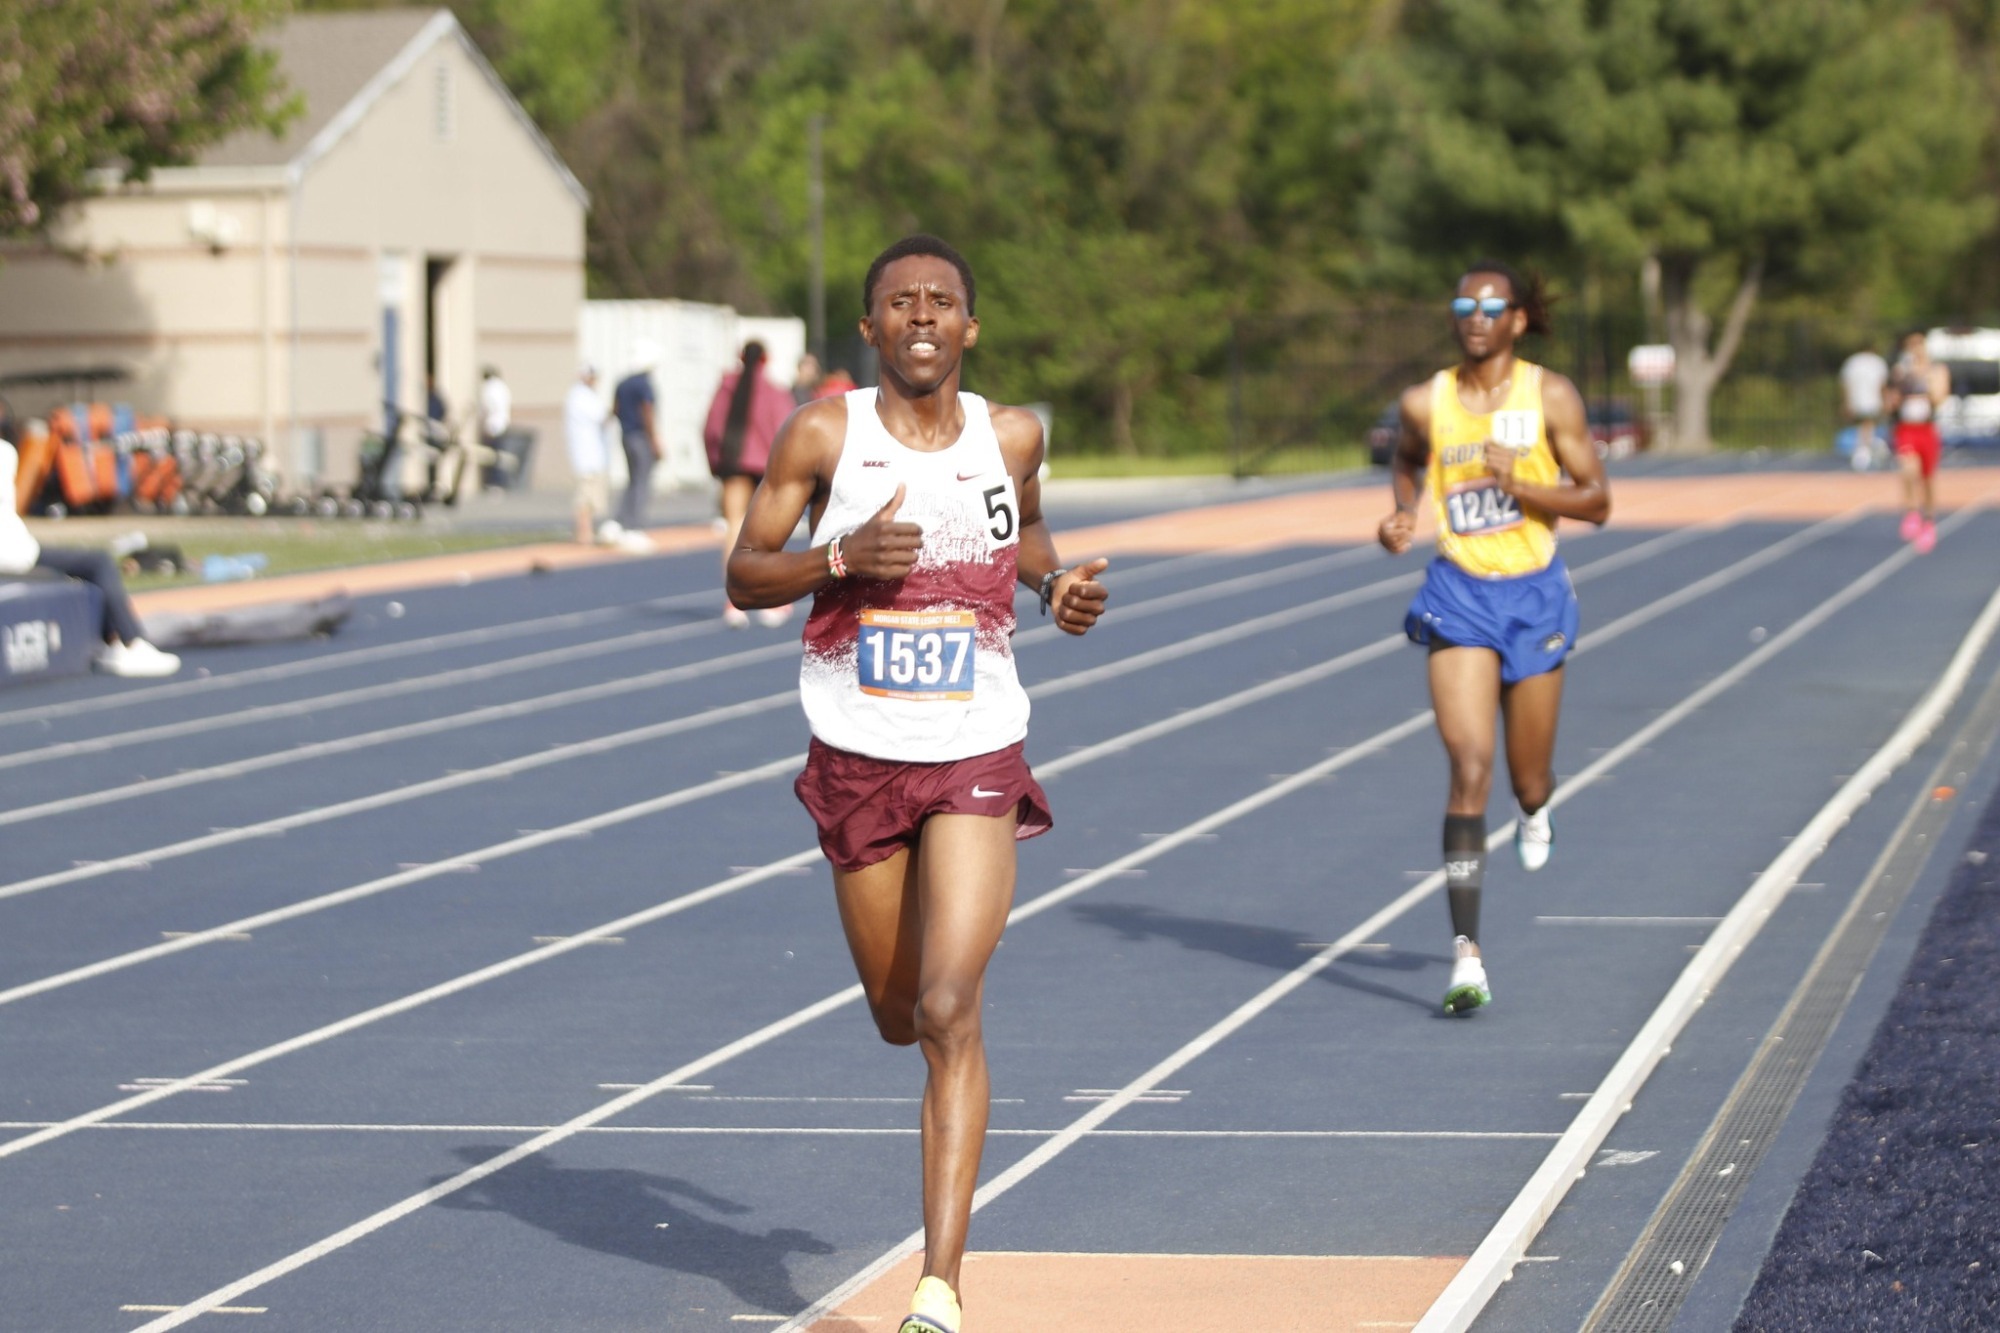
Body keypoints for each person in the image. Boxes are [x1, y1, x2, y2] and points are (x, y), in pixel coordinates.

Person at [725, 234, 1110, 1333]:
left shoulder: (1013, 433)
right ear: (872, 327)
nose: (924, 316)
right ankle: (931, 1028)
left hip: (977, 748)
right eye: (902, 302)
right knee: (898, 1016)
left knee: (949, 1006)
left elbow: (1027, 531)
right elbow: (744, 572)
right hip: (856, 756)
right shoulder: (822, 433)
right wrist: (837, 560)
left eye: (943, 301)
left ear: (970, 327)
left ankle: (938, 1288)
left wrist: (1053, 589)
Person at [1377, 260, 1611, 1015]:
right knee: (1469, 764)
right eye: (1463, 304)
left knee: (1526, 777)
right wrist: (1404, 511)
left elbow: (1598, 500)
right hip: (1459, 595)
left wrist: (1524, 487)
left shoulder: (1551, 395)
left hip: (1536, 596)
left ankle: (1536, 809)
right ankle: (1467, 955)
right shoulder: (1427, 401)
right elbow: (1407, 460)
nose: (1475, 315)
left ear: (1516, 319)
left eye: (1491, 305)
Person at [0, 437, 180, 677]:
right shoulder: (5, 452)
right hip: (14, 553)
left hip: (14, 548)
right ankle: (130, 642)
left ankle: (116, 642)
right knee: (99, 562)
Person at [704, 341, 797, 627]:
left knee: (734, 526)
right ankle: (773, 602)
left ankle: (734, 601)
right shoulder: (774, 392)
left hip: (732, 466)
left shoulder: (725, 389)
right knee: (771, 531)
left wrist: (715, 464)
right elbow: (790, 429)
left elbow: (710, 428)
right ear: (765, 360)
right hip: (767, 466)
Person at [1884, 330, 1949, 554]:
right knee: (1908, 468)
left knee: (1928, 480)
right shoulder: (1900, 372)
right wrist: (1897, 388)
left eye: (1919, 344)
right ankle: (1911, 511)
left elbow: (1939, 398)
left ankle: (1928, 520)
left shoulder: (1937, 371)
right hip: (1906, 429)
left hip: (1927, 430)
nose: (1915, 349)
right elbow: (1889, 402)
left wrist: (1924, 379)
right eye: (1911, 345)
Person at [563, 364, 619, 547]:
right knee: (585, 497)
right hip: (586, 456)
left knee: (592, 498)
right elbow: (602, 417)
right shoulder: (580, 397)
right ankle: (583, 534)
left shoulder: (587, 396)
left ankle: (586, 532)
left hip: (594, 456)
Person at [612, 345, 663, 543]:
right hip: (640, 436)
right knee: (642, 480)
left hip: (626, 435)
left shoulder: (622, 383)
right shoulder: (644, 384)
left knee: (632, 480)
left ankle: (621, 520)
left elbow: (615, 409)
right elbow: (647, 411)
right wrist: (654, 440)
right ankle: (634, 525)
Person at [1839, 341, 1889, 471]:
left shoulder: (1852, 362)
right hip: (1872, 399)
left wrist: (1847, 402)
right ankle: (1864, 452)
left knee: (1865, 425)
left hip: (1857, 400)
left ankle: (1865, 450)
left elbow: (1846, 384)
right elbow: (1881, 384)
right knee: (1868, 425)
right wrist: (1884, 400)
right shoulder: (1877, 362)